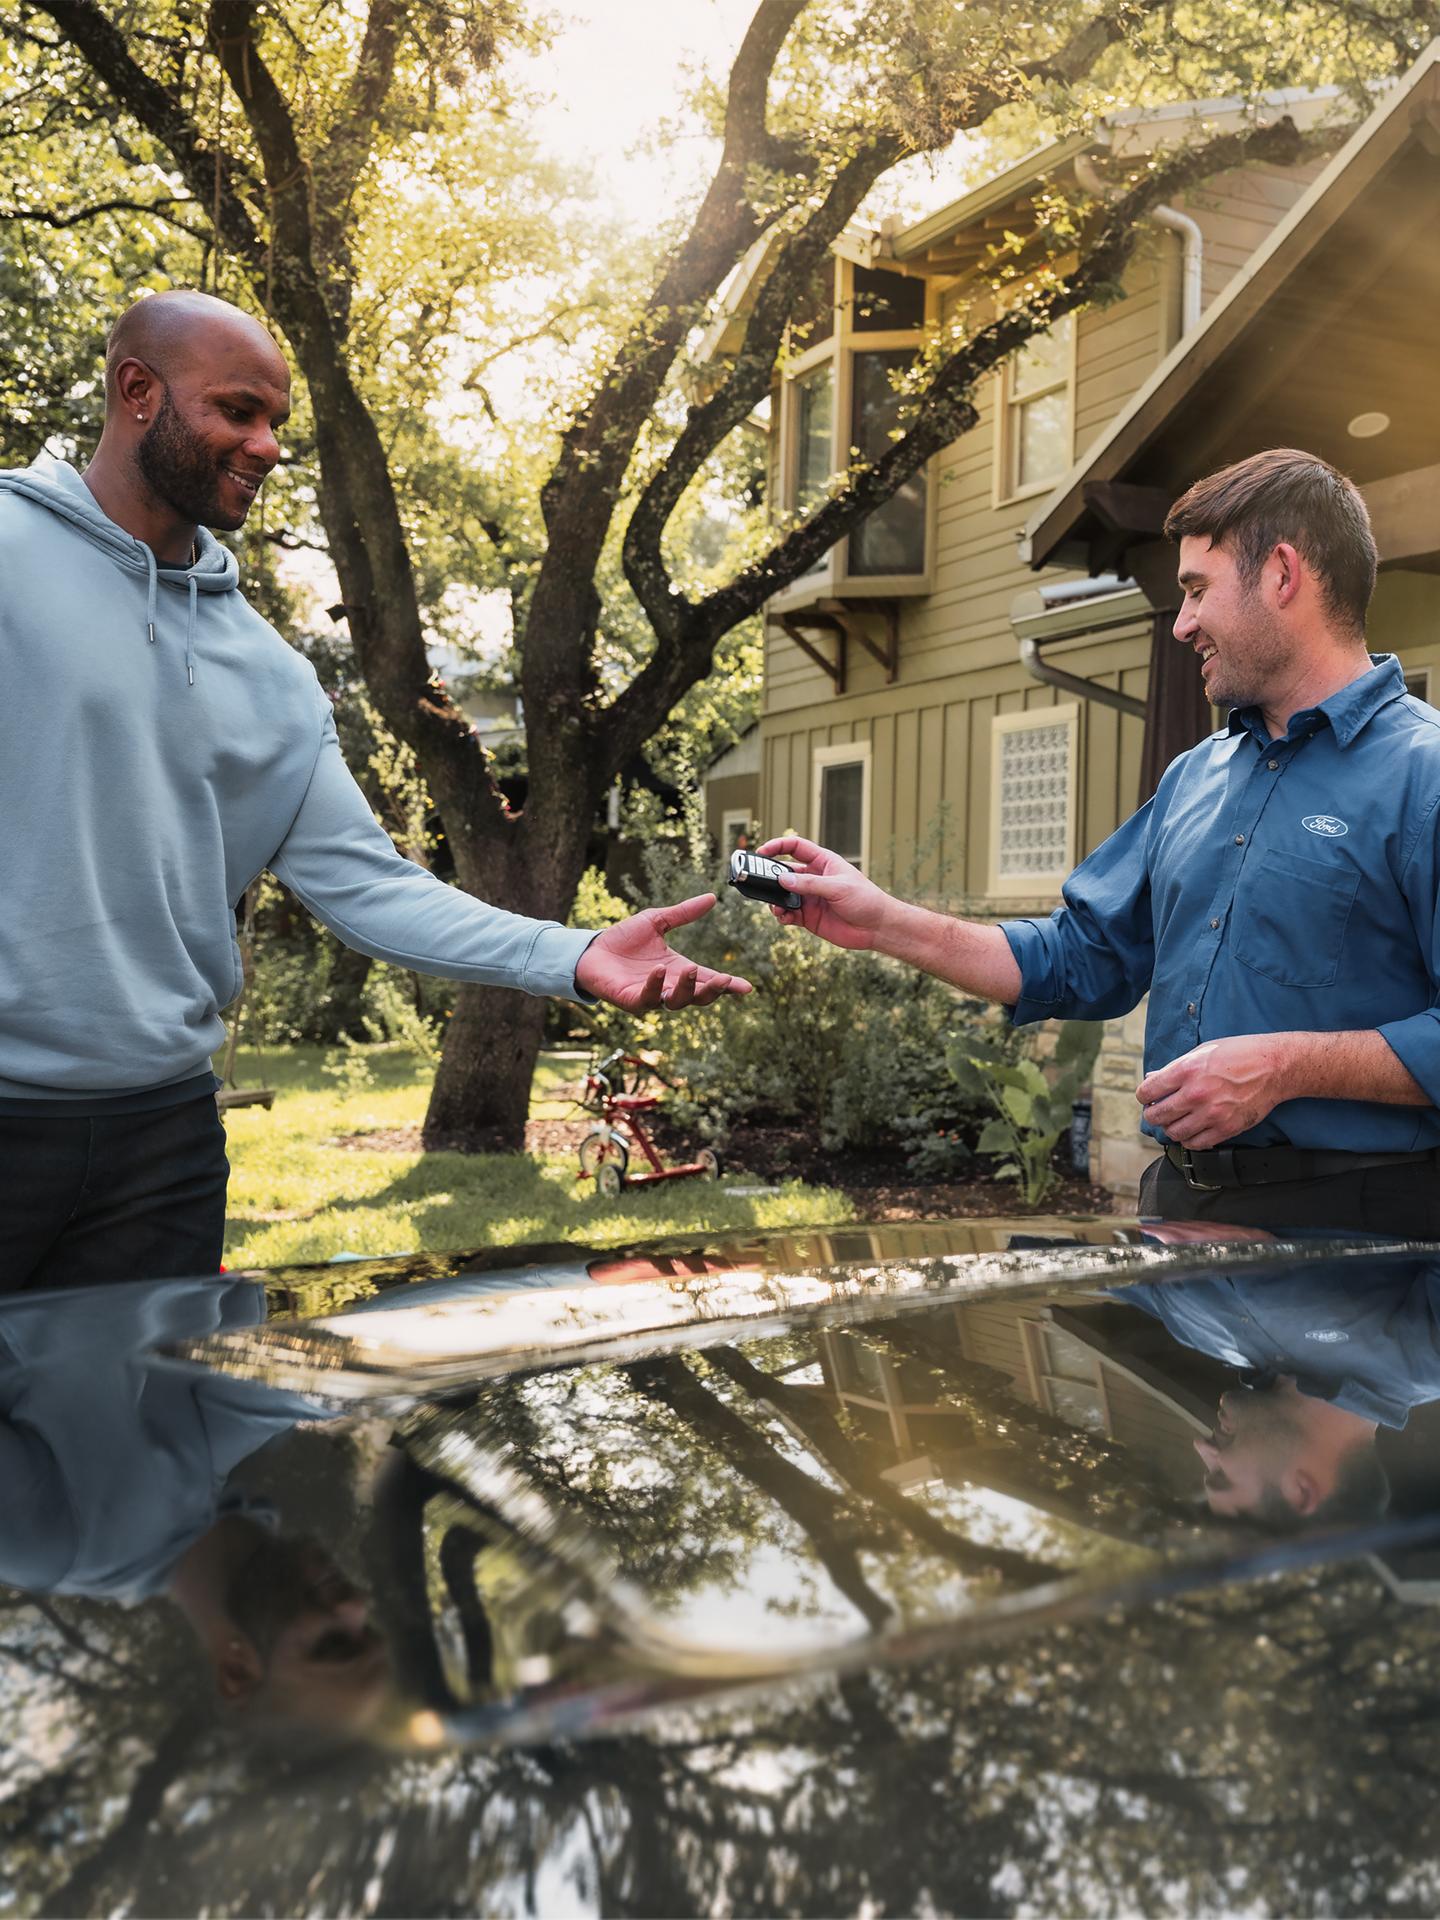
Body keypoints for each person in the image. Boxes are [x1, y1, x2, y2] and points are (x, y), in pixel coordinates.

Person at [0, 290, 751, 1292]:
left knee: (145, 1401)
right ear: (138, 390)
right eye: (237, 411)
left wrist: (573, 954)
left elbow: (368, 887)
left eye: (277, 421)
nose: (268, 446)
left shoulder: (268, 674)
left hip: (161, 1147)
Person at [760, 449, 1440, 1234]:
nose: (1182, 623)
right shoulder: (1195, 777)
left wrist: (1283, 1068)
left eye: (1197, 590)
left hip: (1363, 1232)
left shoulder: (1423, 775)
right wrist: (881, 920)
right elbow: (1077, 956)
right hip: (1181, 1206)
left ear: (1283, 575)